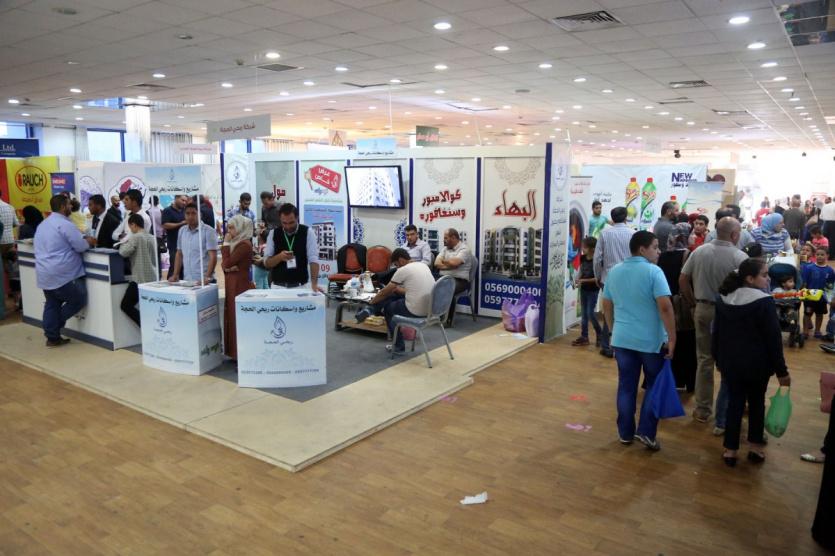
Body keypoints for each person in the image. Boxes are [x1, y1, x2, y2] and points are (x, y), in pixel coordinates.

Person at [602, 230, 676, 450]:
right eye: (655, 247)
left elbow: (607, 305)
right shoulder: (654, 272)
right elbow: (665, 307)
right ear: (642, 249)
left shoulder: (615, 271)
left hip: (622, 339)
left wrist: (613, 330)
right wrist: (672, 337)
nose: (659, 251)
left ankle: (625, 433)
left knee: (626, 386)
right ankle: (646, 432)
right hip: (651, 341)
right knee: (653, 385)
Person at [713, 258, 791, 466]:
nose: (768, 279)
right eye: (764, 275)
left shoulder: (723, 299)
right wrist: (782, 371)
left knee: (734, 403)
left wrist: (718, 359)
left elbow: (717, 333)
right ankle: (755, 447)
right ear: (750, 278)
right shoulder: (764, 302)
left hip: (731, 363)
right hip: (757, 364)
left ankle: (730, 450)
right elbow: (773, 340)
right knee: (756, 403)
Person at [679, 217, 748, 429]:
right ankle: (726, 411)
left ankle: (702, 409)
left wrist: (693, 303)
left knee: (704, 360)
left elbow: (683, 279)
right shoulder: (740, 257)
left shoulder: (699, 251)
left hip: (703, 308)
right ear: (734, 234)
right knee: (730, 361)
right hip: (731, 312)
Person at [34, 195, 96, 347]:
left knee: (52, 303)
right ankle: (55, 326)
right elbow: (80, 246)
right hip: (63, 274)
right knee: (78, 298)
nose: (71, 206)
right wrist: (88, 241)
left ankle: (52, 337)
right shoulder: (65, 224)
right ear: (62, 207)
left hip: (45, 273)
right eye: (69, 204)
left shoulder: (43, 224)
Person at [368, 248, 435, 355]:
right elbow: (414, 290)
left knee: (388, 309)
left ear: (401, 260)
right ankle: (371, 310)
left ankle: (398, 346)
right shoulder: (423, 265)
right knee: (394, 295)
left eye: (396, 264)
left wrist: (372, 302)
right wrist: (397, 290)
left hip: (416, 310)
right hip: (431, 309)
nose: (397, 267)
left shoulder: (403, 270)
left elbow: (384, 292)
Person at [593, 206, 635, 358]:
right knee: (626, 312)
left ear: (612, 218)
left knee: (608, 311)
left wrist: (598, 276)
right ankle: (624, 345)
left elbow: (597, 258)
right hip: (628, 279)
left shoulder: (605, 233)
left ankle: (606, 346)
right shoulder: (633, 234)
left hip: (608, 279)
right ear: (625, 217)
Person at [263, 203, 321, 292]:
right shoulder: (273, 234)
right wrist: (279, 257)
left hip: (301, 287)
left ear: (297, 218)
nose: (288, 226)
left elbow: (313, 260)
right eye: (284, 223)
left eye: (291, 222)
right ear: (280, 219)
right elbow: (267, 263)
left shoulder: (307, 232)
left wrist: (314, 284)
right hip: (278, 287)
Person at [220, 214, 254, 360]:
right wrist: (228, 266)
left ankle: (240, 354)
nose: (229, 232)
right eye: (228, 228)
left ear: (241, 228)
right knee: (231, 316)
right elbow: (226, 266)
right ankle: (233, 353)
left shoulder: (244, 245)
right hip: (232, 282)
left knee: (236, 318)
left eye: (232, 228)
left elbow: (226, 263)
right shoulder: (237, 243)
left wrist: (226, 244)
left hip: (239, 285)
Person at [117, 214, 158, 326]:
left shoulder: (136, 237)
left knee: (125, 305)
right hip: (153, 277)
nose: (130, 230)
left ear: (133, 224)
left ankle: (146, 325)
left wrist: (123, 241)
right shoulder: (152, 237)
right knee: (148, 307)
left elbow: (123, 252)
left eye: (130, 226)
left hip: (140, 278)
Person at [168, 203, 218, 285]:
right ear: (184, 215)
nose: (190, 216)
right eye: (187, 213)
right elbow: (179, 254)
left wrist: (207, 277)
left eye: (194, 213)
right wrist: (175, 274)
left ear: (200, 215)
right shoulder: (182, 231)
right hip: (187, 280)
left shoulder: (209, 231)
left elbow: (213, 257)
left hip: (205, 281)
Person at [434, 228, 472, 325]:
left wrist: (445, 262)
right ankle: (433, 315)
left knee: (447, 289)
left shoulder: (464, 249)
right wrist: (450, 265)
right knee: (429, 284)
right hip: (444, 278)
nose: (444, 240)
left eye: (446, 238)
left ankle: (447, 320)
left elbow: (455, 263)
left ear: (454, 238)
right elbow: (436, 263)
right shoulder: (445, 249)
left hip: (460, 281)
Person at [571, 236, 602, 347]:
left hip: (593, 290)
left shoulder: (597, 261)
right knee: (584, 314)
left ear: (592, 249)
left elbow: (597, 278)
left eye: (585, 247)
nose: (582, 249)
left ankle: (600, 334)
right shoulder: (583, 258)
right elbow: (581, 271)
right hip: (583, 289)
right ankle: (584, 337)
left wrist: (582, 280)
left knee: (590, 313)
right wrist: (577, 280)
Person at [801, 247, 835, 339]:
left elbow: (830, 286)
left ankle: (817, 330)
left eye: (822, 254)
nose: (819, 256)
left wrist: (830, 297)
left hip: (822, 298)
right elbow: (804, 282)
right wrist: (803, 292)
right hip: (809, 297)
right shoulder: (808, 268)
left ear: (827, 256)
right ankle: (805, 331)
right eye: (818, 254)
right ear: (815, 255)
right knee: (807, 314)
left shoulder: (830, 271)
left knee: (819, 314)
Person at [162, 195, 189, 279]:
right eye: (182, 200)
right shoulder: (167, 211)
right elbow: (165, 225)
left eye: (185, 201)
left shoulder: (185, 211)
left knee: (184, 268)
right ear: (176, 198)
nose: (184, 203)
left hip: (185, 244)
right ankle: (171, 284)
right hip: (174, 244)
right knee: (175, 267)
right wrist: (181, 223)